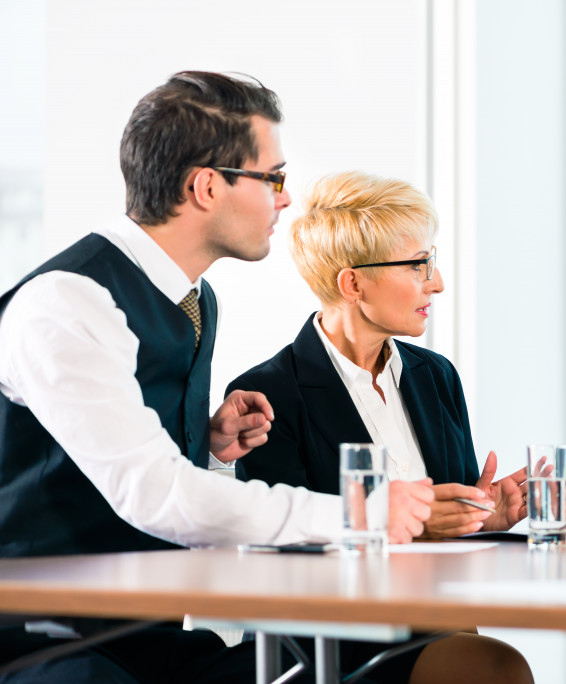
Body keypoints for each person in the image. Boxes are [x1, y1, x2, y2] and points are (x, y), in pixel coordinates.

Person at [0, 72, 432, 684]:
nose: (285, 199)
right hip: (46, 643)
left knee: (384, 667)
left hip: (142, 633)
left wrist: (211, 448)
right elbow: (156, 495)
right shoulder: (68, 302)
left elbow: (158, 480)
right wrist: (356, 516)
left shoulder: (193, 301)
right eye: (273, 178)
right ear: (206, 186)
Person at [226, 170, 533, 683]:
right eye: (419, 264)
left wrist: (481, 518)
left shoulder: (434, 376)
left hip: (437, 623)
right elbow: (282, 558)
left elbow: (448, 522)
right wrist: (418, 532)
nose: (437, 282)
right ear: (353, 283)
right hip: (329, 643)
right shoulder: (269, 395)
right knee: (495, 668)